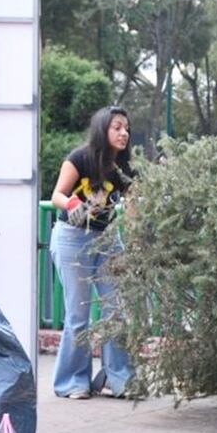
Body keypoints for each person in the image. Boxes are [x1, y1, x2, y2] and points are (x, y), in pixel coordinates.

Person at [49, 106, 136, 399]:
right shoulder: (80, 158)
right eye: (117, 127)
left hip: (108, 239)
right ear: (103, 130)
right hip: (73, 238)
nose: (123, 133)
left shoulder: (125, 167)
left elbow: (133, 206)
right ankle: (73, 382)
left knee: (117, 309)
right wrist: (76, 207)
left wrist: (138, 237)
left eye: (126, 128)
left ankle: (118, 378)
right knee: (78, 314)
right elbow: (57, 195)